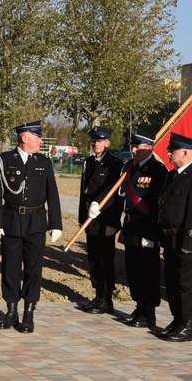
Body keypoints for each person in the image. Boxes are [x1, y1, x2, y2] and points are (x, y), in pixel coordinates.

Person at [0, 120, 63, 333]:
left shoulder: (44, 162)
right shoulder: (4, 160)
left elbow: (52, 195)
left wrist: (55, 224)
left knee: (33, 269)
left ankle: (28, 313)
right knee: (10, 268)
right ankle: (11, 311)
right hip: (11, 219)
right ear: (24, 137)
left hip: (36, 221)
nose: (40, 140)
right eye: (37, 136)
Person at [156, 133, 192, 342]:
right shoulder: (172, 176)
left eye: (173, 150)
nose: (169, 153)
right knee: (172, 281)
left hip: (186, 241)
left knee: (187, 284)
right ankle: (178, 319)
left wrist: (190, 242)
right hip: (170, 239)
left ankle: (188, 325)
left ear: (185, 152)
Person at [117, 132, 167, 328]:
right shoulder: (129, 167)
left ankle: (149, 312)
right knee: (133, 269)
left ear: (150, 148)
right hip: (131, 226)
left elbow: (157, 204)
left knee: (148, 271)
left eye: (138, 147)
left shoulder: (157, 170)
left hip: (147, 228)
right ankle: (139, 306)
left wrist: (153, 233)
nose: (133, 150)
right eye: (133, 146)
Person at [78, 126, 123, 314]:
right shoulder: (88, 162)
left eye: (100, 140)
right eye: (94, 140)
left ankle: (107, 298)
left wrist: (98, 204)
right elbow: (84, 192)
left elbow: (113, 191)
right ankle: (98, 294)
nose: (96, 143)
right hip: (90, 219)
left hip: (106, 219)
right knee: (94, 259)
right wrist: (82, 216)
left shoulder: (115, 164)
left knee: (106, 259)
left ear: (107, 143)